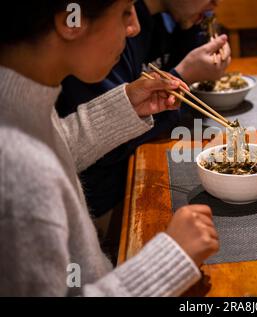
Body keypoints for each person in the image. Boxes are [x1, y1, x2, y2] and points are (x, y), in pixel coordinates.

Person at [0, 0, 218, 296]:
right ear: (71, 21)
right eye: (125, 12)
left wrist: (126, 107)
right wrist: (169, 260)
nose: (134, 28)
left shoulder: (18, 102)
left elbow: (58, 144)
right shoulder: (18, 168)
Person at [57, 0, 231, 218]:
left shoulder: (162, 19)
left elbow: (62, 141)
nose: (134, 27)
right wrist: (183, 74)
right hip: (106, 201)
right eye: (126, 13)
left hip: (127, 182)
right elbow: (106, 154)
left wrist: (192, 31)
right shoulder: (103, 38)